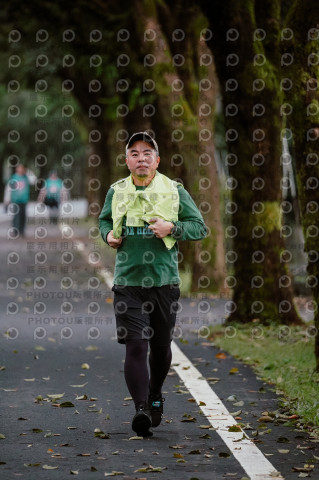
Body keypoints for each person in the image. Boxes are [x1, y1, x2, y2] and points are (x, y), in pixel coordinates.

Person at [98, 131, 207, 437]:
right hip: (127, 282)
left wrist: (172, 227)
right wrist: (108, 235)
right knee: (135, 346)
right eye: (134, 153)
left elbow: (200, 227)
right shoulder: (116, 191)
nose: (141, 158)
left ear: (157, 160)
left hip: (164, 282)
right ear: (127, 160)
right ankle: (141, 408)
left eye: (147, 153)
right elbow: (104, 221)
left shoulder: (174, 190)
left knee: (160, 348)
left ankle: (156, 392)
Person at [4, 164, 30, 237]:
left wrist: (27, 172)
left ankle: (22, 231)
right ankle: (15, 231)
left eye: (22, 168)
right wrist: (7, 199)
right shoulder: (13, 178)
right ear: (16, 169)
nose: (20, 169)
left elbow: (34, 180)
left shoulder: (26, 177)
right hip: (15, 200)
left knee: (23, 216)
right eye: (19, 168)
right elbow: (8, 189)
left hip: (24, 200)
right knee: (16, 216)